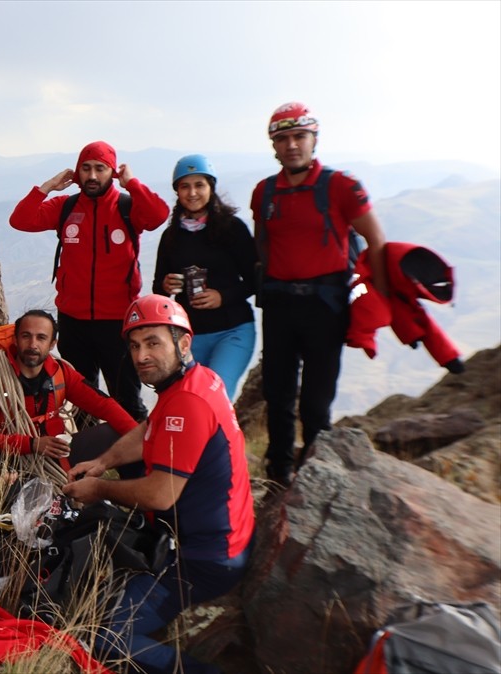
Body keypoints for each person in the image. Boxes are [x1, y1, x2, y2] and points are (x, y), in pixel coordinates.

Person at [64, 295, 254, 674]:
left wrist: (98, 490)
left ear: (183, 343)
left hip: (205, 560)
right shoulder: (195, 381)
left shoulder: (188, 402)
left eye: (153, 343)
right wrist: (103, 463)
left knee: (109, 637)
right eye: (135, 346)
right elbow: (149, 430)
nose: (141, 356)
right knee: (100, 446)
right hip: (227, 535)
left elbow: (159, 494)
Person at [251, 102, 387, 486]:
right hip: (279, 304)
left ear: (314, 139)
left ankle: (313, 473)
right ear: (273, 145)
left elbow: (375, 240)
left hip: (325, 306)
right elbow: (264, 244)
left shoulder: (342, 186)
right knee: (277, 394)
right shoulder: (264, 192)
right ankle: (279, 471)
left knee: (315, 400)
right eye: (283, 138)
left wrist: (380, 298)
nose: (292, 145)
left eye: (299, 136)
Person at [9, 140, 170, 420]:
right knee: (81, 403)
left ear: (113, 173)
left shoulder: (127, 206)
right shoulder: (66, 207)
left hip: (118, 324)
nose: (92, 176)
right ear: (77, 172)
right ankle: (90, 462)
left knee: (127, 402)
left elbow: (158, 215)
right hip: (74, 323)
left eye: (100, 168)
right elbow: (21, 220)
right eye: (86, 168)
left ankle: (138, 463)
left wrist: (132, 183)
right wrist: (48, 186)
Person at [153, 154, 258, 400]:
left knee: (215, 395)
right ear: (177, 191)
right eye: (184, 186)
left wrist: (223, 296)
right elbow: (158, 289)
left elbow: (256, 279)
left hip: (233, 330)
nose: (192, 193)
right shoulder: (171, 236)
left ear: (211, 187)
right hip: (190, 336)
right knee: (189, 400)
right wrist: (166, 285)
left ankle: (228, 440)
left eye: (199, 185)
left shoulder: (233, 229)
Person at [0, 309, 137, 466]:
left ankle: (133, 487)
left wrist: (140, 436)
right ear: (16, 340)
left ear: (52, 344)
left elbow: (103, 404)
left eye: (41, 338)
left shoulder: (60, 372)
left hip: (58, 453)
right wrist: (32, 444)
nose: (33, 345)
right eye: (26, 336)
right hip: (12, 462)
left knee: (120, 433)